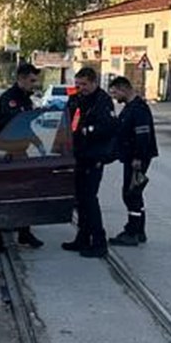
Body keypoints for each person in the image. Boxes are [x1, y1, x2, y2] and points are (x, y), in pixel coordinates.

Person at [63, 67, 118, 258]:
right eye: (78, 84)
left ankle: (99, 242)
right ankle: (83, 237)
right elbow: (70, 122)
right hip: (78, 154)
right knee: (80, 200)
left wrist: (87, 130)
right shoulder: (77, 99)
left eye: (84, 84)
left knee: (89, 199)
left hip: (94, 156)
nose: (81, 88)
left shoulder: (103, 101)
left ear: (94, 83)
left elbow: (109, 127)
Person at [0, 62, 45, 251]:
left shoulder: (26, 99)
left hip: (21, 151)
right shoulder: (10, 99)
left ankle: (24, 232)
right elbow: (12, 123)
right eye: (31, 80)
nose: (34, 84)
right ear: (21, 79)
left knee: (25, 192)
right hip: (6, 151)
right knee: (4, 193)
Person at [107, 76, 158, 247]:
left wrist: (138, 157)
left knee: (131, 194)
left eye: (115, 93)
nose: (115, 97)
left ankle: (132, 232)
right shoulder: (130, 107)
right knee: (135, 192)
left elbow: (142, 135)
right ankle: (139, 230)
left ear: (124, 89)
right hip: (131, 157)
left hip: (137, 159)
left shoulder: (138, 109)